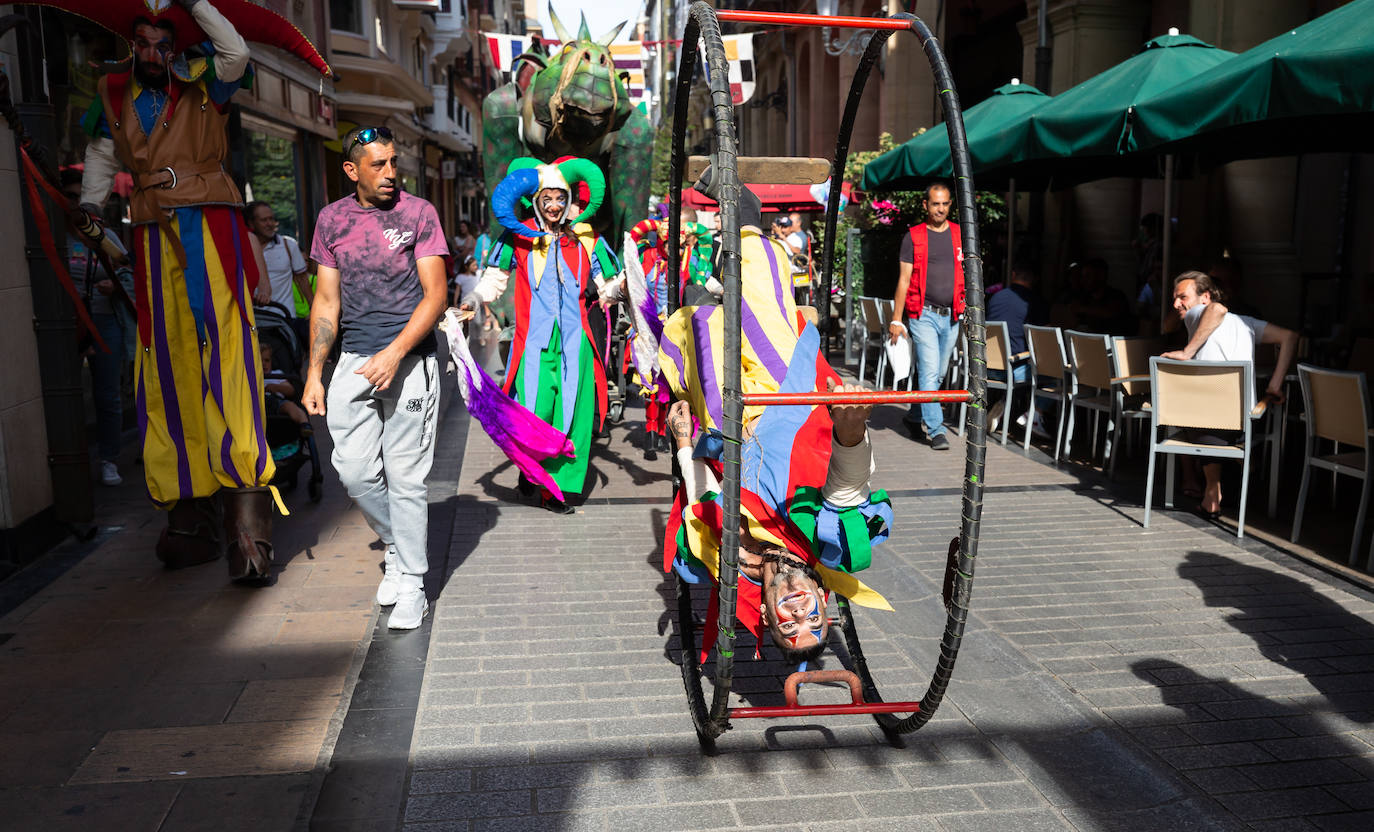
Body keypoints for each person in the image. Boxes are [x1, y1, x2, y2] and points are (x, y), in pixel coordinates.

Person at [78, 0, 278, 581]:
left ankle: (249, 528)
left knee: (227, 355)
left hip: (208, 227)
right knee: (165, 363)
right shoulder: (113, 93)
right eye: (141, 42)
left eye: (162, 43)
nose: (150, 53)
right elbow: (99, 151)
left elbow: (236, 52)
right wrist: (92, 206)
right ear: (130, 45)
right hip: (148, 233)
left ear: (177, 47)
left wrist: (195, 4)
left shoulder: (204, 84)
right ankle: (190, 516)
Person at [659, 201, 893, 662]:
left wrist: (685, 445)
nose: (798, 611)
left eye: (789, 626)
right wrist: (851, 432)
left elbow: (702, 502)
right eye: (813, 619)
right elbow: (846, 493)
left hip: (724, 425)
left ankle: (708, 293)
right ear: (825, 604)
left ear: (766, 617)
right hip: (790, 403)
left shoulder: (732, 564)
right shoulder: (826, 547)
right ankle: (744, 214)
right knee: (764, 298)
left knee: (698, 333)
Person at [303, 126, 449, 629]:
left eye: (393, 163)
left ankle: (412, 580)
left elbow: (436, 295)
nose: (390, 174)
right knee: (354, 471)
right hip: (353, 361)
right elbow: (326, 303)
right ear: (352, 170)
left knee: (407, 478)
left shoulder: (418, 213)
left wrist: (395, 354)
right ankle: (394, 542)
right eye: (378, 165)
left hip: (410, 361)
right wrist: (314, 374)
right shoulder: (331, 220)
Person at [459, 156, 612, 513]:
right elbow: (494, 280)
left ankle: (555, 489)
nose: (556, 206)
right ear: (537, 201)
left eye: (562, 198)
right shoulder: (518, 236)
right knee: (535, 413)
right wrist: (471, 300)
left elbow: (609, 283)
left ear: (571, 198)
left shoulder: (587, 236)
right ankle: (532, 472)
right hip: (534, 345)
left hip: (577, 345)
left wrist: (618, 291)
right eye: (548, 199)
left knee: (574, 415)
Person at [1161, 271, 1274, 519]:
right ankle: (1232, 469)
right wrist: (1275, 385)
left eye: (1182, 297)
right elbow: (1290, 337)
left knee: (1185, 408)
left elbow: (1218, 310)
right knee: (1199, 409)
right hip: (1242, 419)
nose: (1176, 303)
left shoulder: (1199, 312)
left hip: (1209, 420)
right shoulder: (1244, 322)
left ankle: (1209, 488)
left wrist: (1187, 352)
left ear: (1206, 297)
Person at [62, 169, 136, 487]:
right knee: (67, 396)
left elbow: (132, 276)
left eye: (83, 197)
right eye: (71, 197)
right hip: (67, 325)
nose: (78, 203)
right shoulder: (54, 236)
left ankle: (108, 459)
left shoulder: (108, 236)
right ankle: (69, 462)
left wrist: (115, 285)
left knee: (108, 395)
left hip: (106, 322)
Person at [887, 182, 965, 450]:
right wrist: (897, 319)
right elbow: (904, 280)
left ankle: (915, 415)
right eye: (935, 204)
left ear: (950, 205)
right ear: (926, 205)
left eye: (944, 204)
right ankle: (937, 430)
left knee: (938, 373)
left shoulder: (960, 235)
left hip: (952, 315)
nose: (940, 208)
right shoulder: (914, 236)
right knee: (930, 373)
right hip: (924, 315)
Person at [986, 262, 1048, 432]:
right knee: (1052, 374)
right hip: (1010, 370)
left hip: (985, 366)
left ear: (1013, 275)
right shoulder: (1035, 302)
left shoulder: (995, 297)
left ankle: (1005, 404)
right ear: (1035, 279)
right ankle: (1034, 415)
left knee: (1024, 368)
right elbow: (1044, 338)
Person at [246, 200, 313, 348]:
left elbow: (302, 280)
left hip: (284, 320)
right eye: (264, 220)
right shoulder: (243, 248)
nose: (270, 223)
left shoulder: (288, 245)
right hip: (253, 320)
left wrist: (314, 310)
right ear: (251, 223)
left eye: (272, 219)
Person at [1071, 258, 1132, 334]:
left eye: (1088, 276)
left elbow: (1110, 313)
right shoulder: (1085, 298)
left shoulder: (1116, 297)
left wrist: (1083, 309)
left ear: (1101, 276)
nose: (1083, 280)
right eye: (1082, 277)